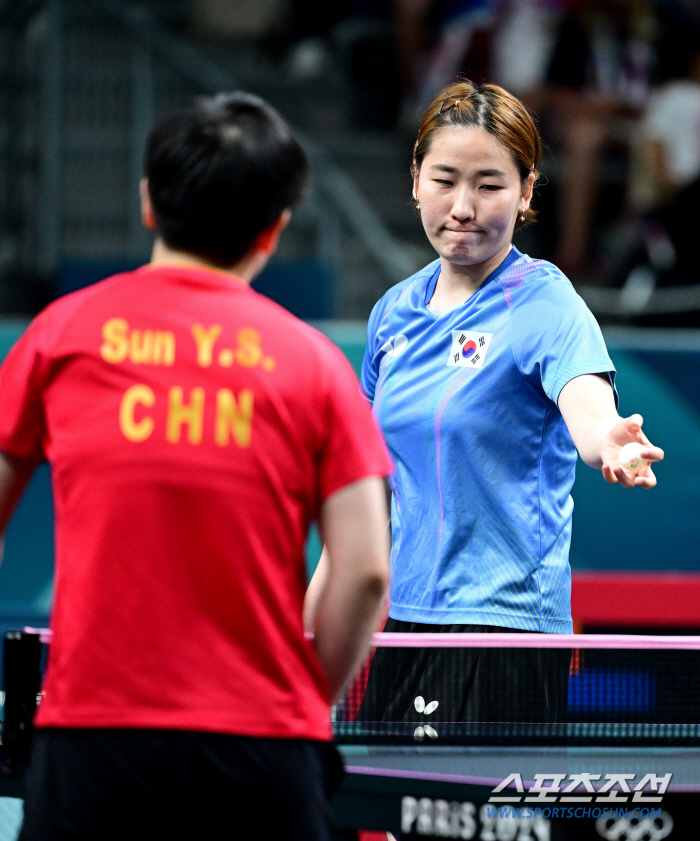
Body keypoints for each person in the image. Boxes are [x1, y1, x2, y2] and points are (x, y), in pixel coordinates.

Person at [0, 92, 392, 840]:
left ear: (149, 203)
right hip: (262, 748)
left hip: (94, 741)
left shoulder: (60, 335)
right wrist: (310, 699)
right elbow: (368, 569)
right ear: (274, 231)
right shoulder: (315, 363)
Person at [308, 78, 664, 729]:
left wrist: (608, 438)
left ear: (527, 191)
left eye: (491, 185)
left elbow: (586, 404)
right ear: (416, 179)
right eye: (445, 179)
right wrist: (308, 635)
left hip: (504, 630)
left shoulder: (546, 303)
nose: (464, 207)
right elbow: (364, 487)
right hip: (404, 623)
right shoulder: (394, 315)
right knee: (388, 823)